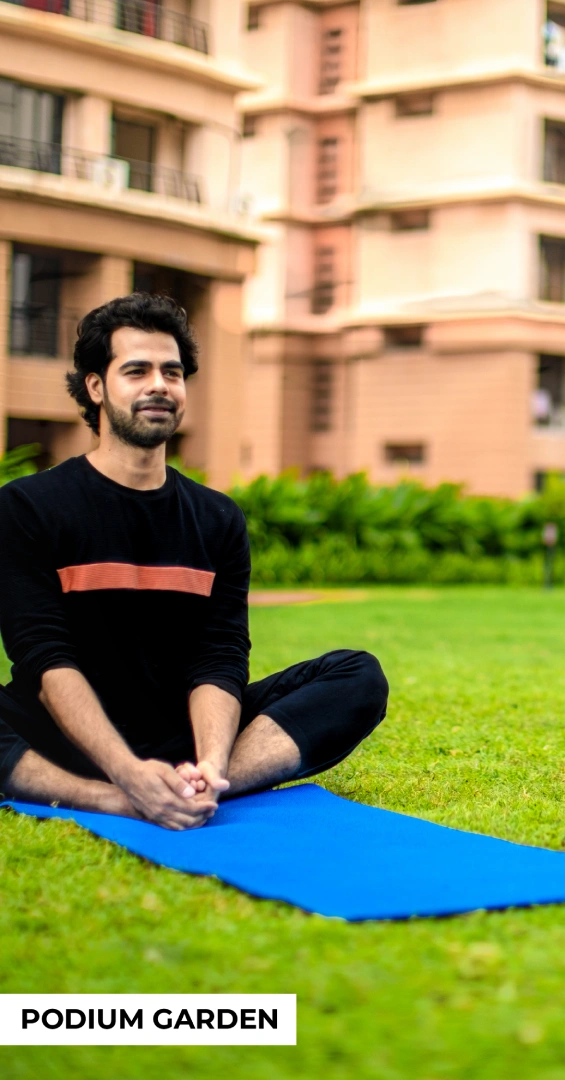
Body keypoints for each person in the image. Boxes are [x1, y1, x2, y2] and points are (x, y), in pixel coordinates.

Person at [0, 293, 388, 829]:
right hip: (59, 736)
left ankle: (199, 787)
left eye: (172, 372)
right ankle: (109, 797)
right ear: (96, 387)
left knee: (357, 676)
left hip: (180, 730)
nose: (159, 384)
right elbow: (47, 661)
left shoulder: (217, 519)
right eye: (136, 371)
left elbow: (219, 657)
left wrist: (210, 760)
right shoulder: (27, 507)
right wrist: (125, 776)